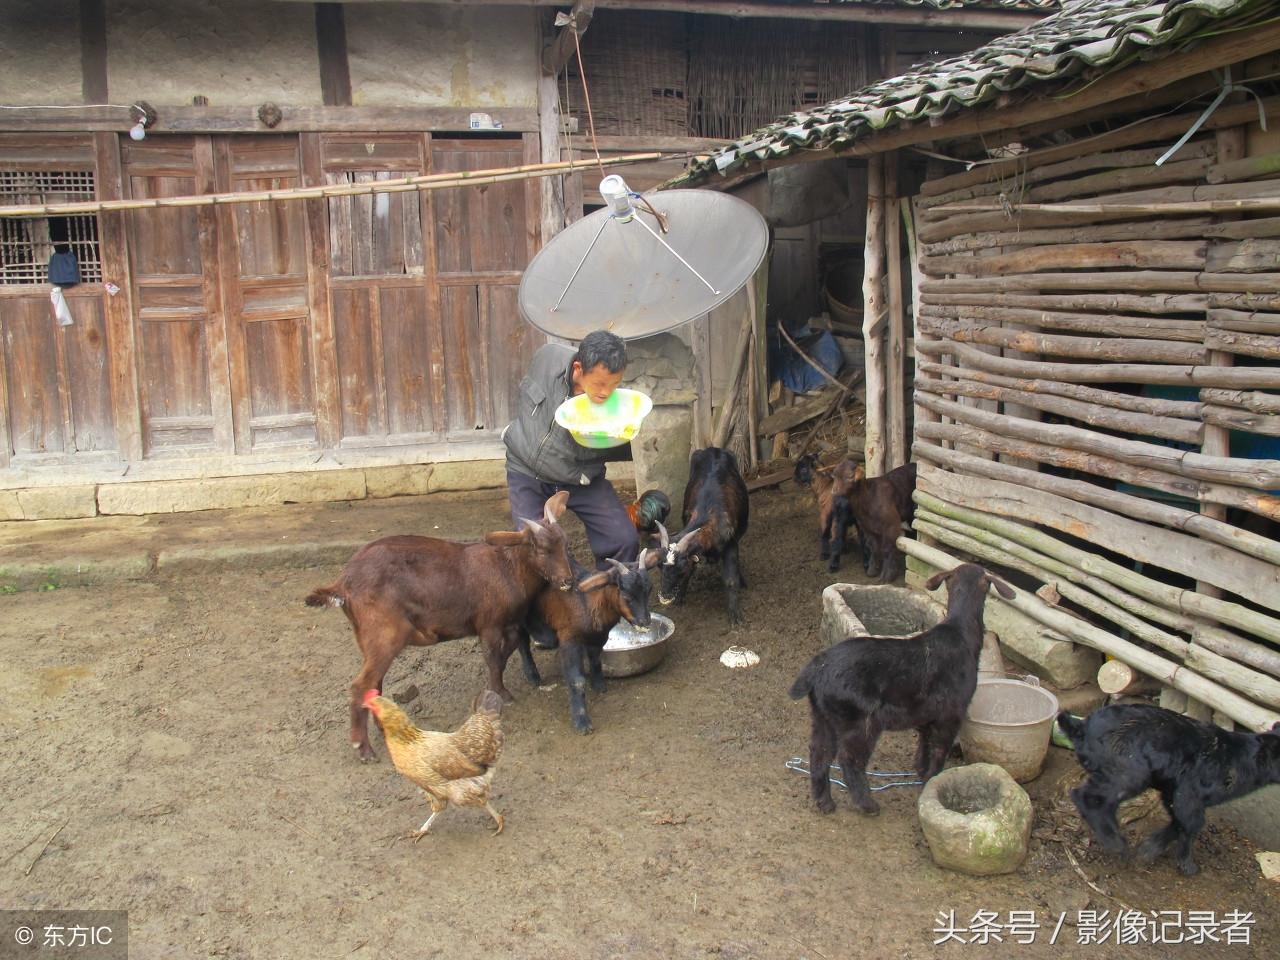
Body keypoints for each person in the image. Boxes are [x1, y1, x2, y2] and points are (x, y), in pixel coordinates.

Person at [503, 330, 639, 571]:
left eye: (614, 384)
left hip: (579, 479)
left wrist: (563, 491)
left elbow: (606, 454)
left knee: (623, 539)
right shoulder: (547, 358)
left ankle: (610, 596)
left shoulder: (614, 407)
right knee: (536, 546)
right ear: (578, 368)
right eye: (599, 384)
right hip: (526, 470)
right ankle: (561, 597)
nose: (606, 392)